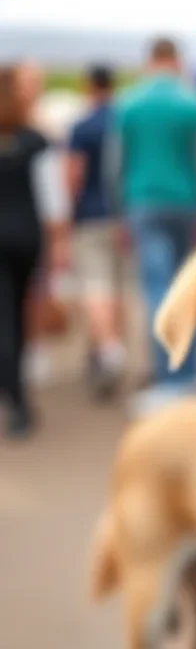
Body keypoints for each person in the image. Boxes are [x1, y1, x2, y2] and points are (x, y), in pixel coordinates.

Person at [112, 37, 196, 411]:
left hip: (143, 201)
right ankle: (192, 373)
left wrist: (120, 212)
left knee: (156, 288)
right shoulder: (193, 103)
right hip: (185, 202)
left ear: (150, 59)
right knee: (188, 286)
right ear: (176, 60)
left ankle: (169, 379)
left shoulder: (129, 103)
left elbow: (115, 164)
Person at [0, 67, 65, 437]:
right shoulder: (35, 141)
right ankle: (19, 399)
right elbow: (52, 198)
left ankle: (13, 392)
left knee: (4, 317)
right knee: (18, 315)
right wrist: (58, 242)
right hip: (25, 236)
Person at [66, 65, 127, 399]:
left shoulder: (82, 127)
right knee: (118, 288)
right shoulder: (124, 122)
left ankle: (109, 349)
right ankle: (109, 347)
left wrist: (65, 217)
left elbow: (73, 175)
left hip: (90, 215)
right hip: (123, 215)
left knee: (95, 287)